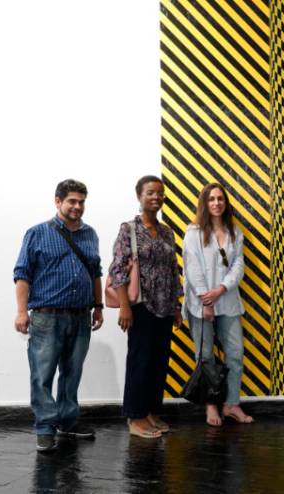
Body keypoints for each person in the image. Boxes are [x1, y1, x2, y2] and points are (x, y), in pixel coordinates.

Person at [13, 179, 104, 452]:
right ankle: (45, 427)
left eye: (81, 202)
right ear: (58, 201)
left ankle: (67, 422)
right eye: (72, 201)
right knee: (42, 375)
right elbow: (22, 274)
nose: (77, 206)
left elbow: (96, 273)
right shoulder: (37, 233)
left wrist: (98, 306)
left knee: (72, 374)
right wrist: (21, 312)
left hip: (81, 317)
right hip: (46, 318)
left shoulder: (90, 234)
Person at [109, 175, 182, 438]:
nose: (156, 197)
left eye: (159, 193)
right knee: (139, 361)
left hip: (164, 307)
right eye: (150, 192)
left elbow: (173, 270)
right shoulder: (129, 229)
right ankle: (135, 416)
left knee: (158, 363)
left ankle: (151, 411)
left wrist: (176, 306)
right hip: (140, 306)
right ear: (139, 196)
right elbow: (118, 269)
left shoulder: (167, 232)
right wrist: (124, 307)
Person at [182, 183, 254, 425]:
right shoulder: (193, 233)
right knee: (205, 356)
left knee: (235, 353)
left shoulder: (235, 232)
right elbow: (192, 268)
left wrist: (221, 289)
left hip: (228, 301)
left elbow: (238, 265)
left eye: (220, 199)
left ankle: (231, 404)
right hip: (201, 304)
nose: (216, 203)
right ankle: (211, 406)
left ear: (225, 202)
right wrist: (206, 298)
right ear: (205, 203)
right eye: (211, 199)